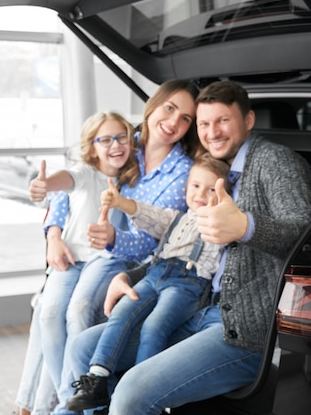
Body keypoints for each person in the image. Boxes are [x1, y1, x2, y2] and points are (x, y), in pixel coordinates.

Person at [65, 80, 311, 415]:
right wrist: (132, 277)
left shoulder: (274, 163)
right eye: (204, 123)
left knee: (131, 393)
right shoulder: (210, 168)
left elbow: (302, 231)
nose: (213, 132)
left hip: (243, 331)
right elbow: (180, 240)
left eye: (223, 120)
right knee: (82, 347)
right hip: (195, 306)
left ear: (249, 121)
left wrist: (246, 226)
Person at [15, 78, 201, 415]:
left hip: (128, 260)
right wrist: (53, 234)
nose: (174, 122)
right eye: (170, 108)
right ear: (154, 104)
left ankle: (58, 407)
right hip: (80, 252)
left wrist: (114, 239)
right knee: (48, 309)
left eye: (186, 118)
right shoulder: (123, 139)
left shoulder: (183, 172)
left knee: (76, 310)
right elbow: (76, 180)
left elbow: (153, 239)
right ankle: (39, 404)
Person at [66, 153, 231, 411]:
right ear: (186, 188)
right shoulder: (175, 218)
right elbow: (148, 214)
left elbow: (224, 245)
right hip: (157, 273)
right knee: (122, 313)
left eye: (211, 189)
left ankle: (140, 388)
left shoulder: (218, 226)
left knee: (154, 326)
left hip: (187, 283)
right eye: (196, 186)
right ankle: (97, 379)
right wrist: (121, 202)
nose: (200, 194)